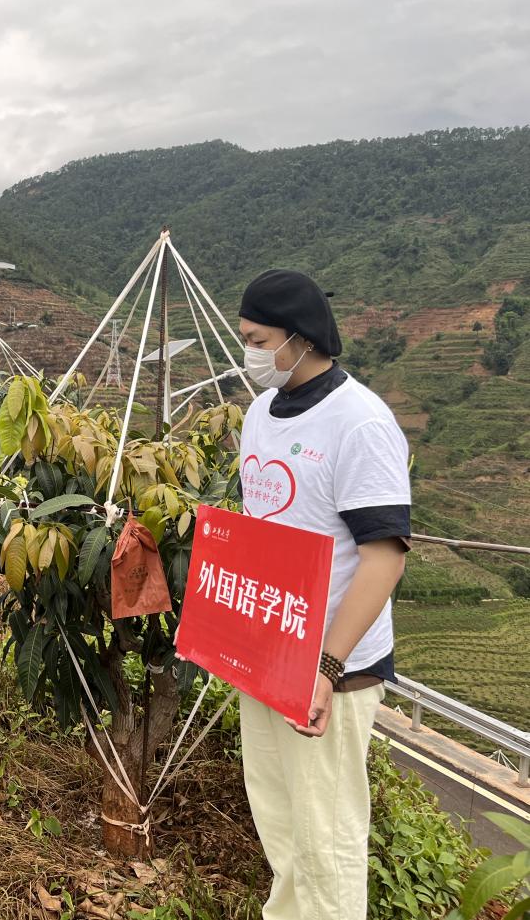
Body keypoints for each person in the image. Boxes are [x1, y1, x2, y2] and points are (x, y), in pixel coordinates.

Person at [236, 269, 409, 920]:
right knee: (280, 822)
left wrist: (327, 667)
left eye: (259, 340)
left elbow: (384, 557)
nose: (250, 353)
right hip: (271, 652)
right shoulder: (260, 412)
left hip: (331, 668)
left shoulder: (359, 422)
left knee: (325, 837)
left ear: (300, 338)